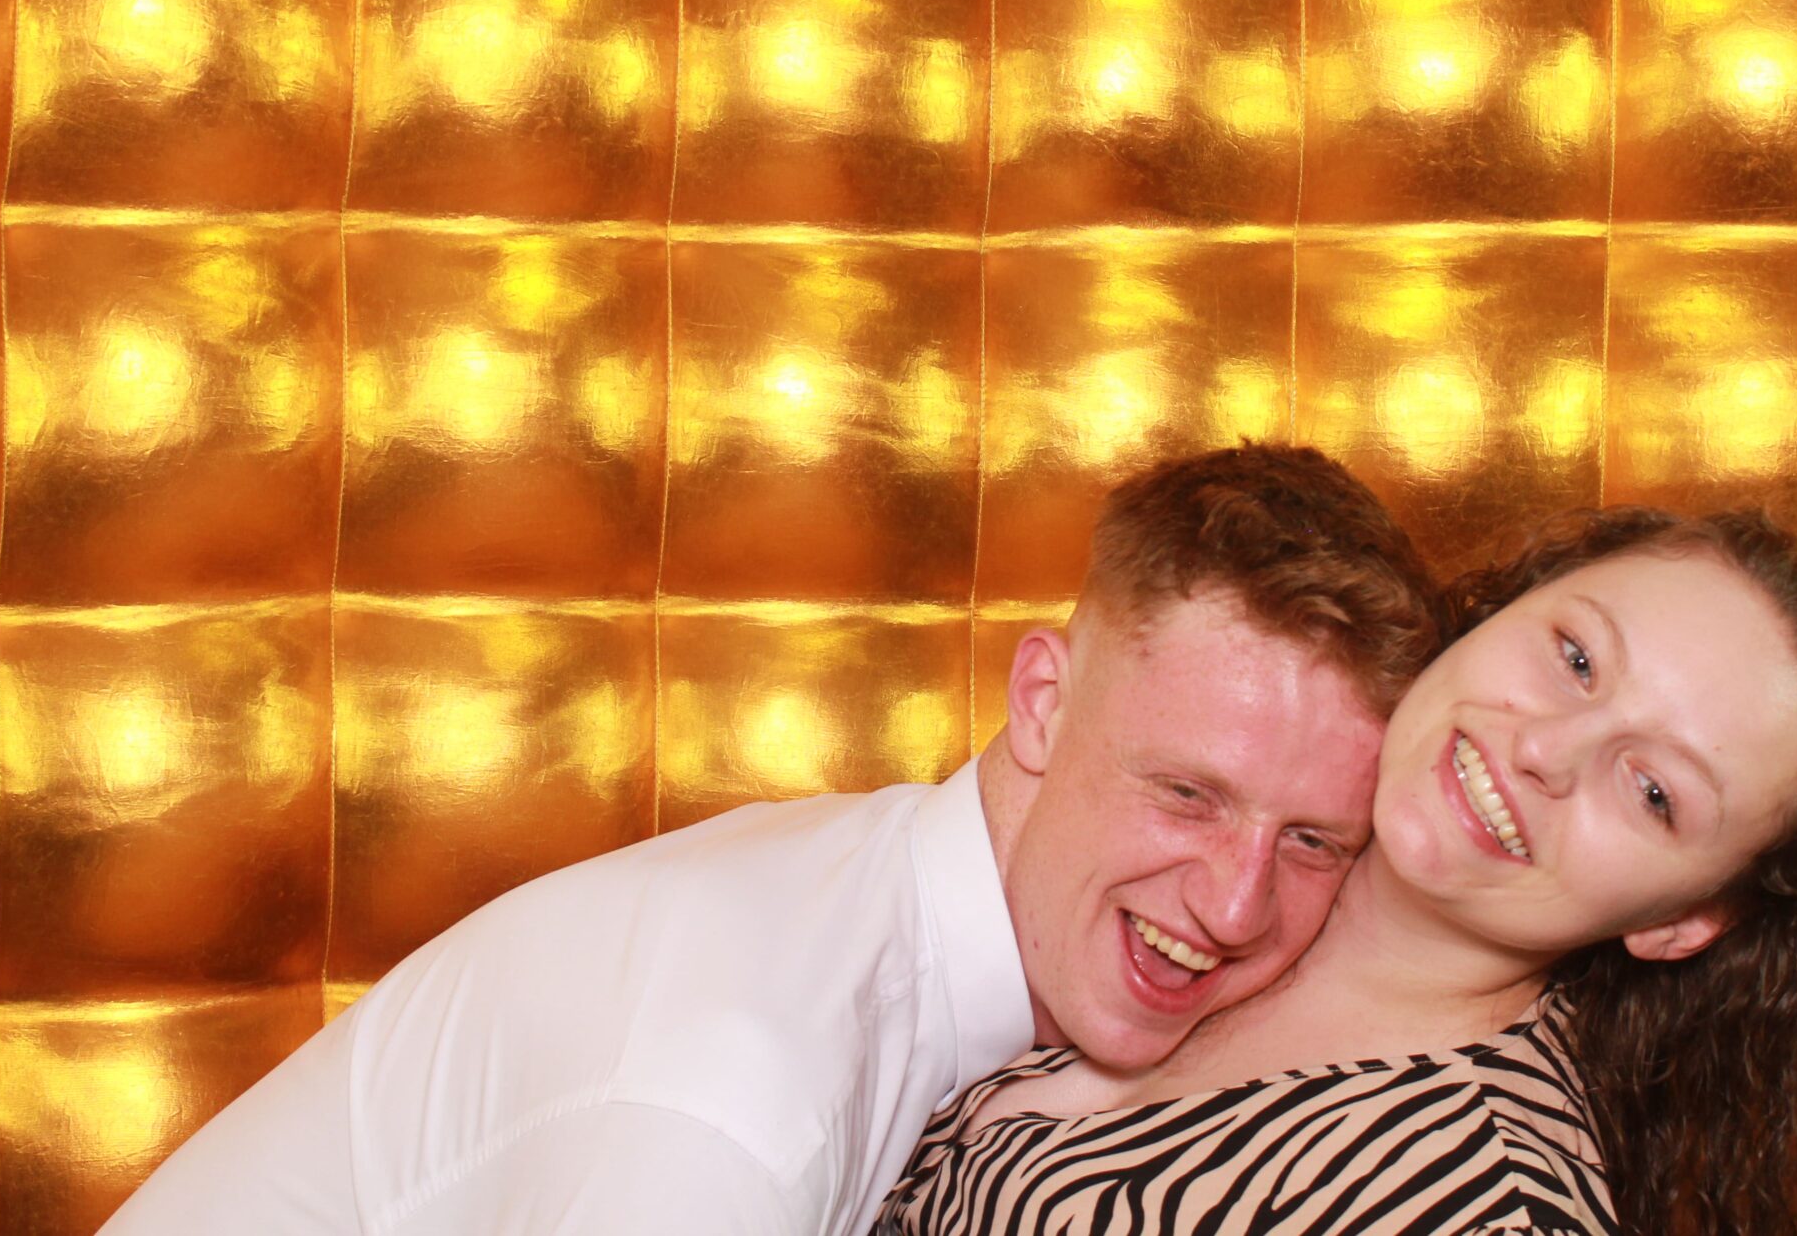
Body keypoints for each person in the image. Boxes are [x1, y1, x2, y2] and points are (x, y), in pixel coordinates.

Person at [98, 444, 1445, 1236]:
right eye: (1188, 793)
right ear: (1042, 702)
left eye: (1312, 840)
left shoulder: (879, 902)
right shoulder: (737, 1097)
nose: (1233, 904)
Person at [873, 507, 1797, 1236]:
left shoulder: (1485, 1202)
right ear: (1502, 608)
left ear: (1681, 922)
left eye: (1653, 792)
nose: (1545, 751)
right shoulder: (1214, 842)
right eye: (1575, 658)